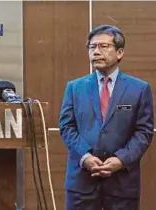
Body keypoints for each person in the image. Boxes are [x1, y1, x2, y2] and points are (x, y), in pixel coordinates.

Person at [59, 25, 154, 210]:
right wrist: (85, 156)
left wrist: (121, 160)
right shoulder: (74, 88)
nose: (96, 52)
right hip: (81, 183)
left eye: (103, 46)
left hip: (122, 183)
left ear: (119, 52)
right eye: (92, 47)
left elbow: (144, 132)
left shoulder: (139, 89)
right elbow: (66, 127)